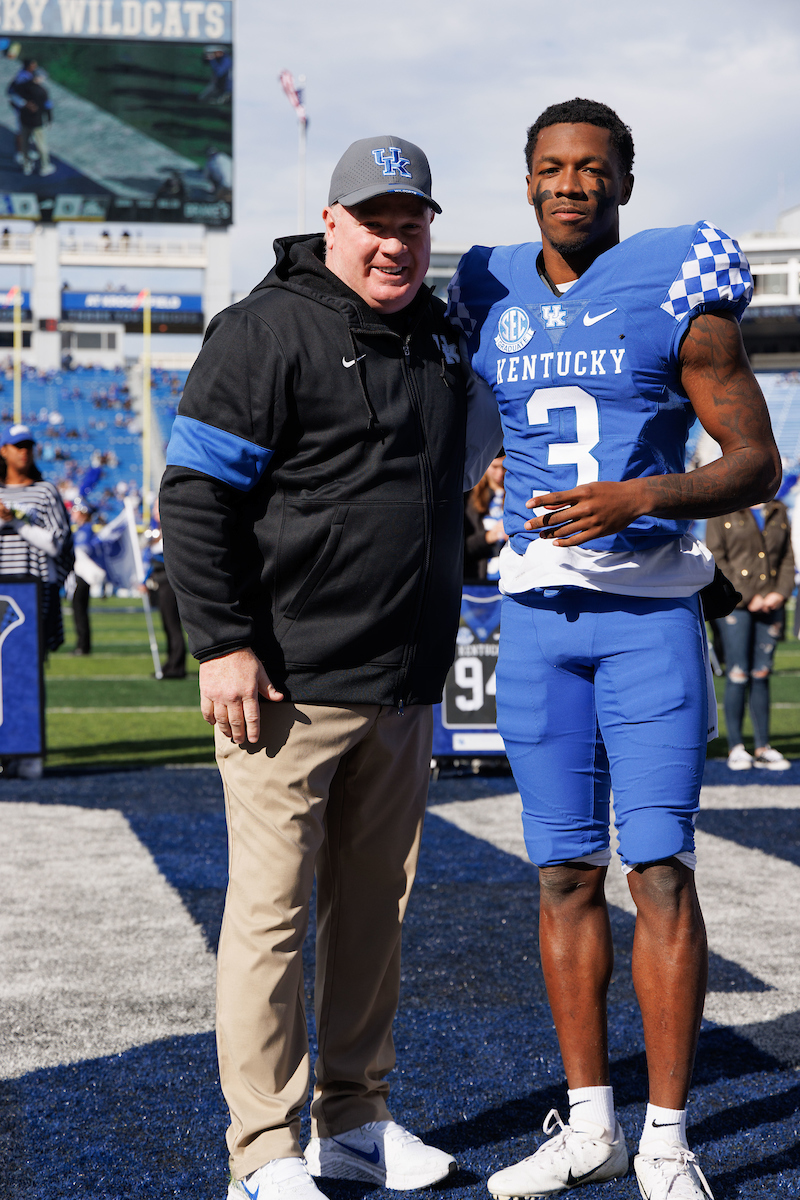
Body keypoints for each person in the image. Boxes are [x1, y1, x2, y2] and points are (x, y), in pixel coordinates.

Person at [448, 98, 780, 1200]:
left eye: (592, 168)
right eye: (551, 166)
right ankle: (589, 1124)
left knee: (660, 871)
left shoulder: (675, 288)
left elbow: (753, 463)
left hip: (645, 617)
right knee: (558, 872)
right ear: (527, 178)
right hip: (538, 619)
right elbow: (475, 425)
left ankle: (667, 1137)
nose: (570, 183)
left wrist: (644, 491)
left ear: (623, 184)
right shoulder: (484, 289)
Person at [159, 135, 500, 1200]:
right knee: (268, 919)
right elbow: (194, 498)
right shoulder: (263, 330)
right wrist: (221, 640)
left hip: (399, 687)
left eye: (413, 222)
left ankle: (352, 1120)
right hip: (287, 684)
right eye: (376, 221)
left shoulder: (441, 340)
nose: (395, 242)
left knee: (371, 912)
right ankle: (263, 1150)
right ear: (331, 221)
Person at [0, 423, 73, 777]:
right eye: (17, 446)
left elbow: (57, 543)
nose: (23, 452)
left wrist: (14, 520)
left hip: (32, 593)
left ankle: (28, 753)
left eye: (28, 445)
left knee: (26, 672)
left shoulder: (45, 492)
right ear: (4, 450)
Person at [706, 503, 793, 770]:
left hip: (772, 603)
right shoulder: (723, 509)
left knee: (762, 673)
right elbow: (716, 557)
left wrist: (780, 592)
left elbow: (787, 558)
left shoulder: (778, 509)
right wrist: (748, 595)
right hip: (737, 605)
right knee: (738, 673)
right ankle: (736, 747)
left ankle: (763, 747)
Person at [143, 501, 186, 679]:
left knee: (173, 624)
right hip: (160, 581)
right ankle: (170, 662)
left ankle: (177, 665)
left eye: (156, 507)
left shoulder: (172, 530)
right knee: (167, 625)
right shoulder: (157, 531)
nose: (154, 512)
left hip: (169, 581)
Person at [464, 455, 507, 580]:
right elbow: (460, 548)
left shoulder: (519, 497)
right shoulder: (469, 500)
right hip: (480, 583)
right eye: (495, 467)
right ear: (486, 465)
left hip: (512, 580)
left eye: (504, 467)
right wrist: (490, 536)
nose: (500, 473)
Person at [71, 501, 105, 656]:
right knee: (78, 608)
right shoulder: (81, 529)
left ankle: (83, 645)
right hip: (80, 573)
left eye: (76, 510)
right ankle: (82, 644)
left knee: (79, 609)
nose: (73, 513)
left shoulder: (86, 530)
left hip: (85, 574)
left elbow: (85, 549)